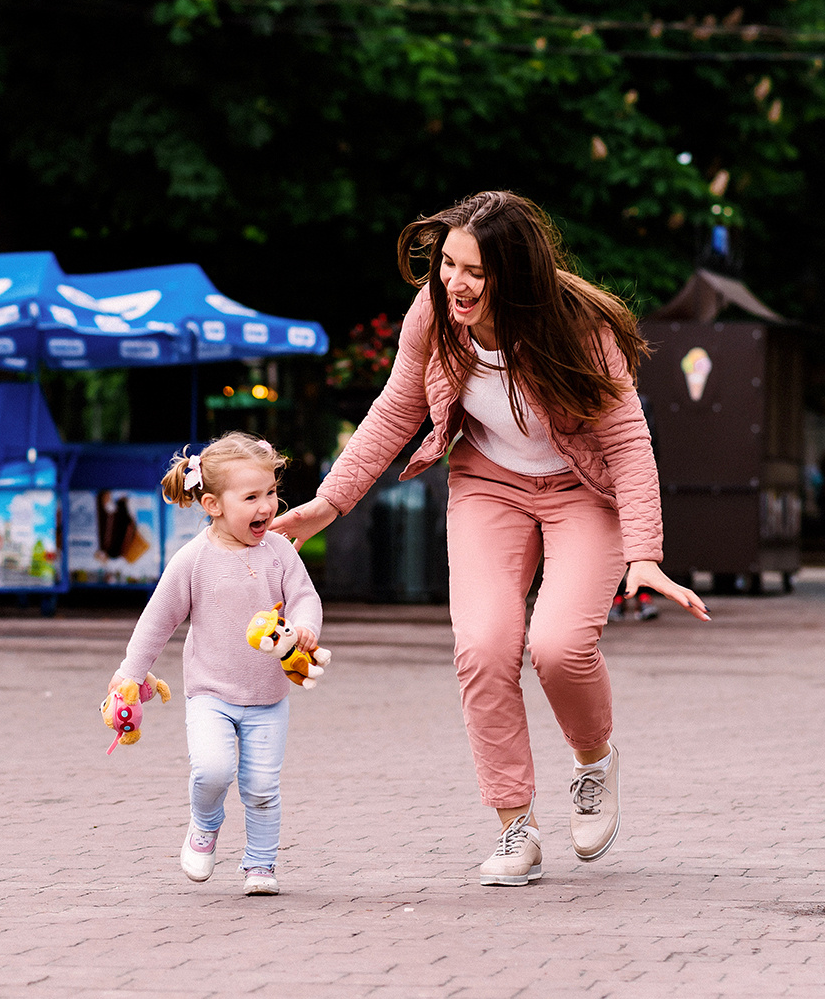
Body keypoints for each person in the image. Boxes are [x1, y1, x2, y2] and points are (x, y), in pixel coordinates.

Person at [271, 190, 707, 887]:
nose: (455, 283)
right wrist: (329, 503)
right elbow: (394, 411)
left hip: (580, 490)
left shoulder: (577, 327)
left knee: (559, 646)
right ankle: (515, 827)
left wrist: (644, 554)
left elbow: (626, 441)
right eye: (448, 265)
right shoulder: (436, 316)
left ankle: (594, 761)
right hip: (488, 485)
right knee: (483, 647)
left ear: (516, 272)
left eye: (474, 270)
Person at [112, 432, 321, 897]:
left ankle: (261, 865)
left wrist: (306, 627)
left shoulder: (281, 552)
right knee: (212, 770)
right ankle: (204, 824)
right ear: (213, 504)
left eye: (271, 493)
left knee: (263, 786)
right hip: (210, 694)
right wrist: (129, 673)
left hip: (269, 697)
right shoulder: (193, 560)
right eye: (251, 497)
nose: (267, 506)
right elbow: (157, 621)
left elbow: (306, 598)